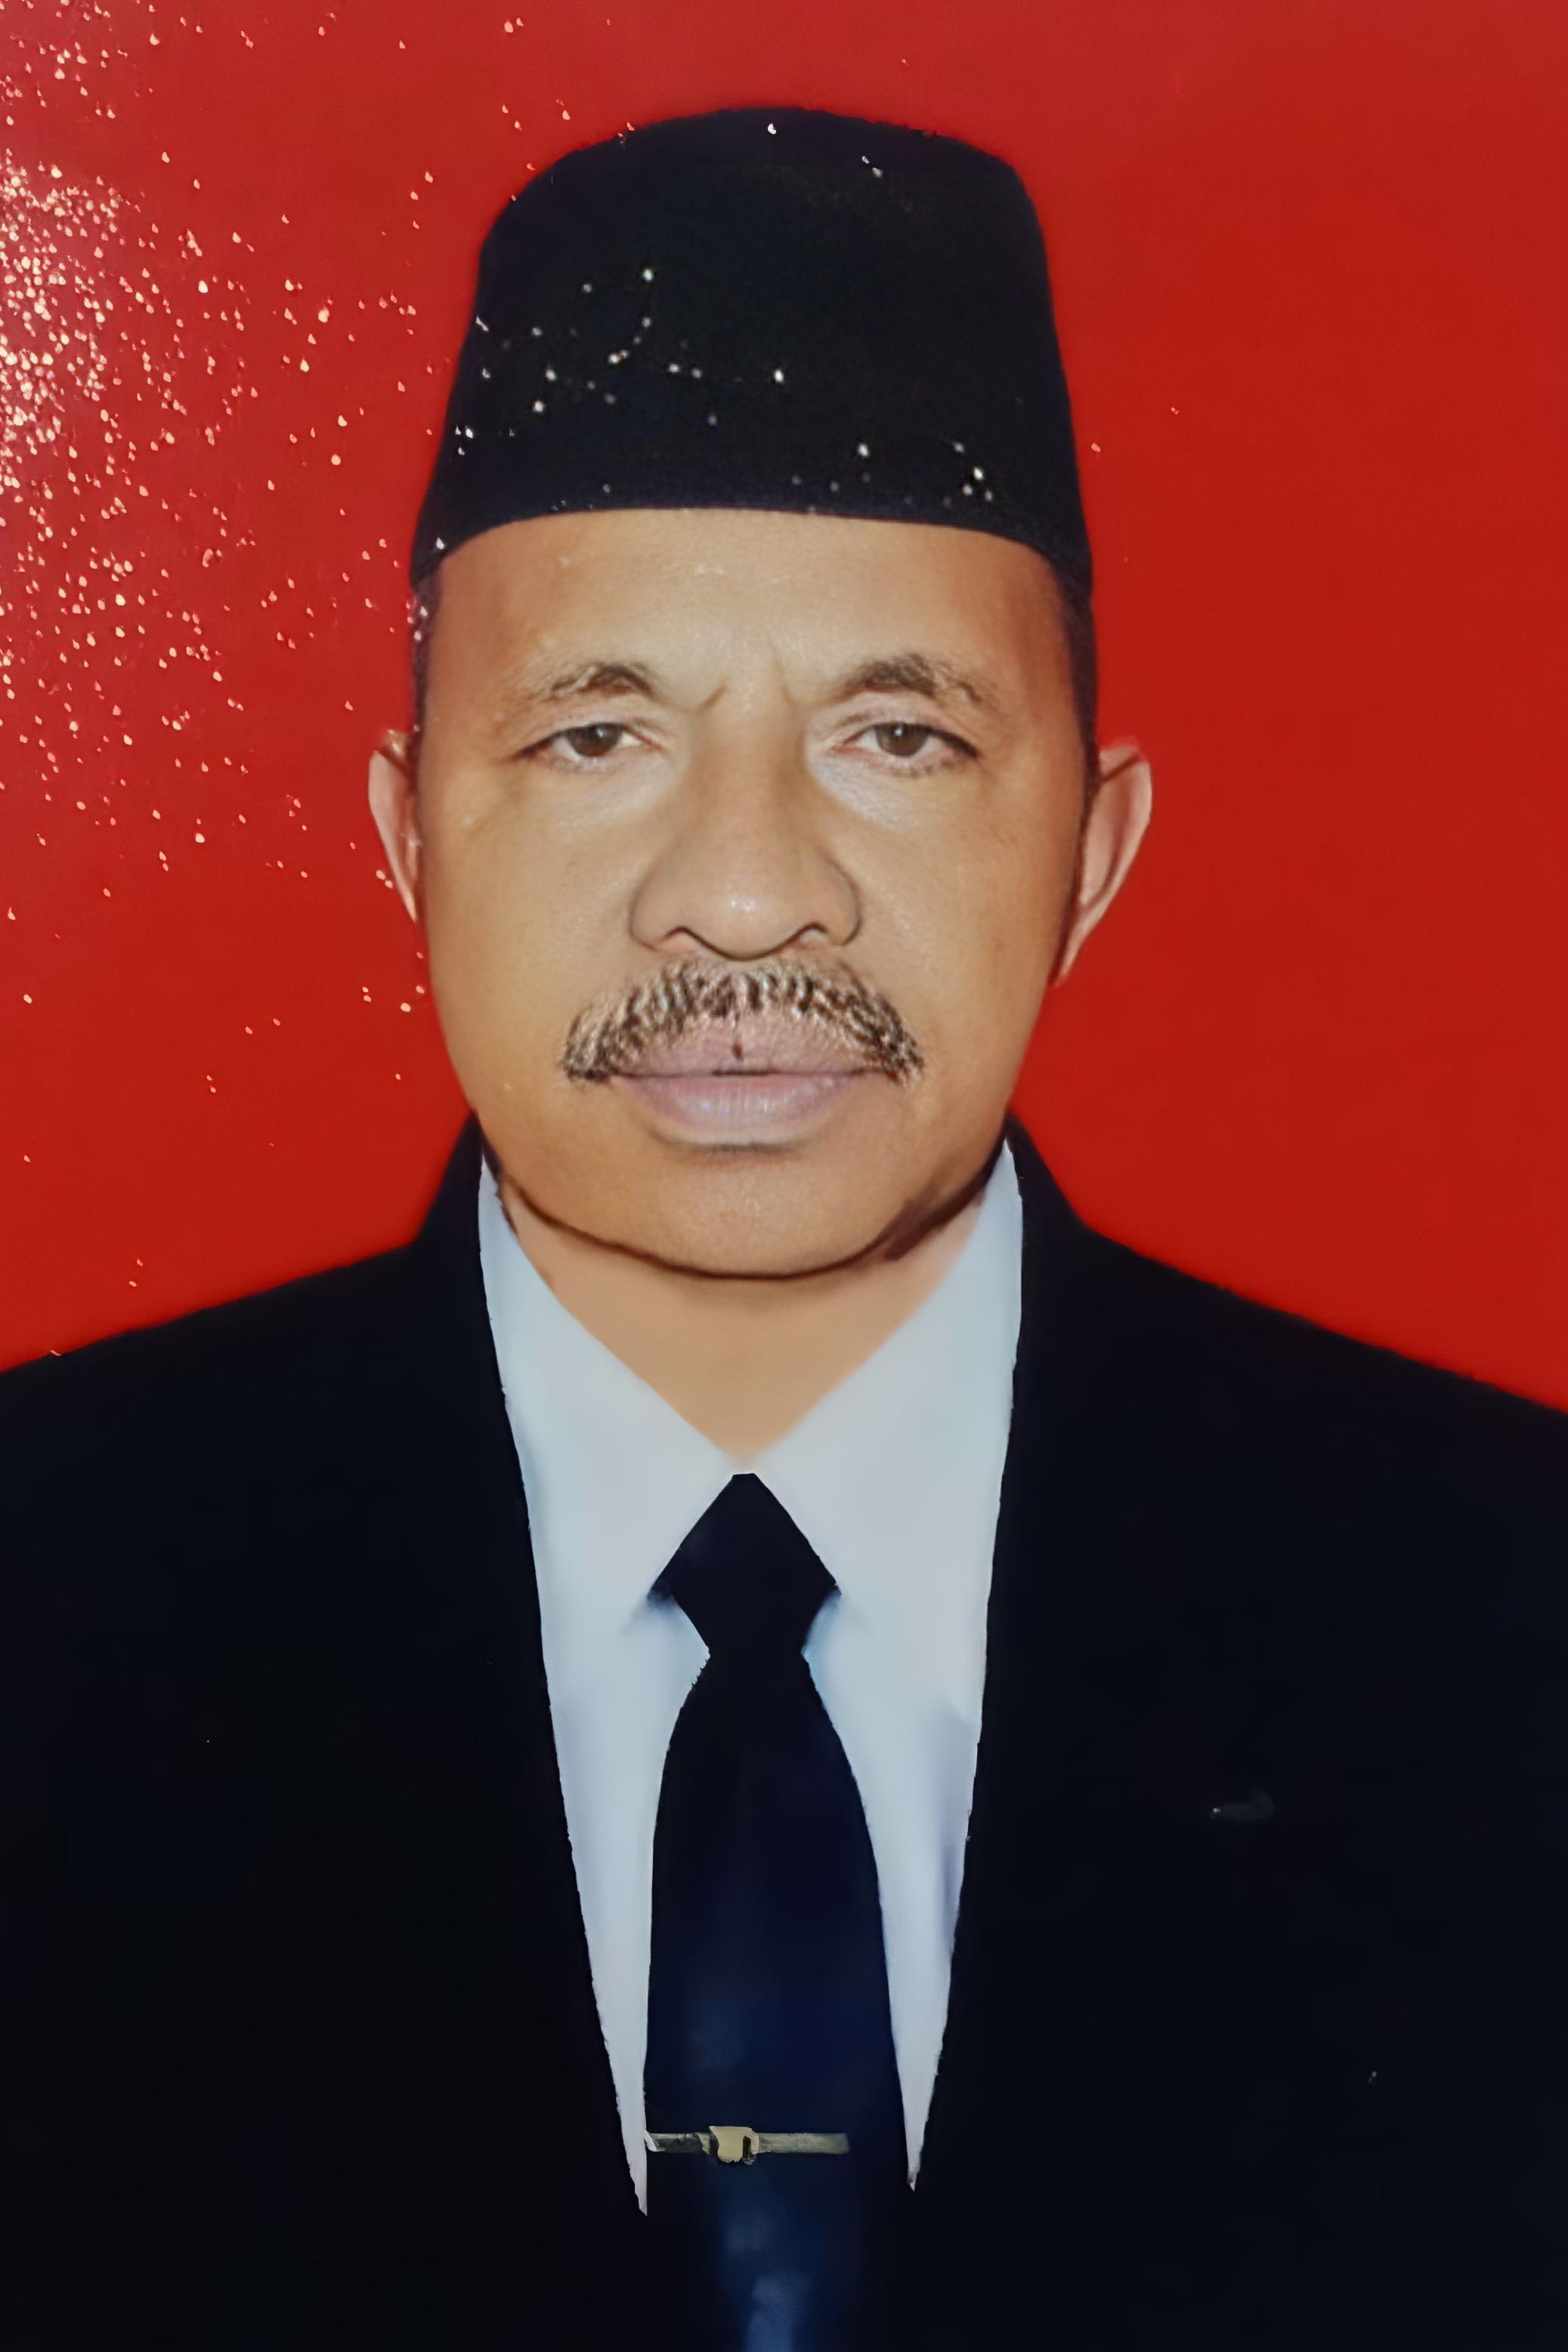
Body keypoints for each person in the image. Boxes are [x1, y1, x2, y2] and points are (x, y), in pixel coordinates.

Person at [2, 106, 1565, 2352]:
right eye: (595, 738)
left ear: (1093, 852)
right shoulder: (45, 1580)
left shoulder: (1508, 1612)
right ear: (407, 838)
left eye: (899, 737)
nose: (742, 895)